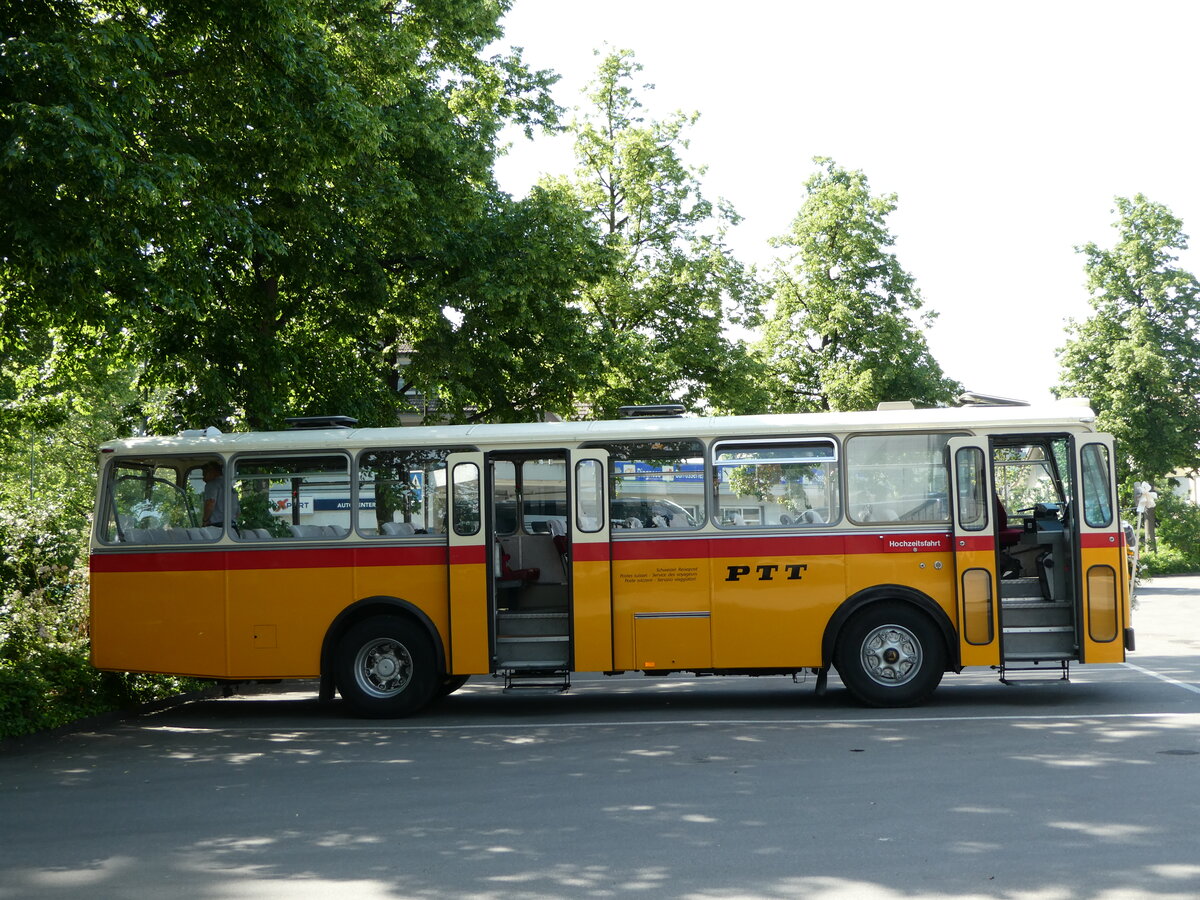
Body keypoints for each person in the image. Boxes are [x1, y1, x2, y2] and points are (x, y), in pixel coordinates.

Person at [201, 461, 239, 528]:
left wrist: (205, 520)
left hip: (217, 527)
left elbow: (210, 502)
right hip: (232, 527)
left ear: (213, 471)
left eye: (205, 474)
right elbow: (238, 513)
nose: (203, 479)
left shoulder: (212, 485)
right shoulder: (230, 487)